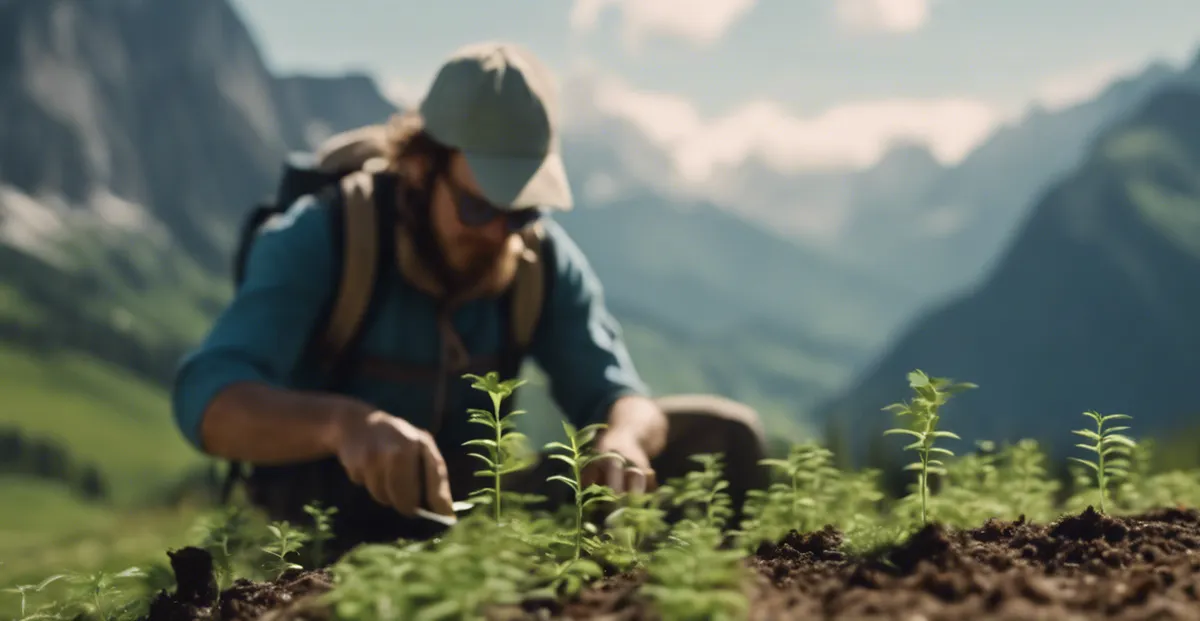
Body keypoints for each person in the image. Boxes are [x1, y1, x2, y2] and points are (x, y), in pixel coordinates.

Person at [171, 41, 768, 555]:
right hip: (318, 540)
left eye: (521, 209)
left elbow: (619, 394)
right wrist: (344, 425)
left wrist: (625, 439)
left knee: (725, 437)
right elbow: (207, 399)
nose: (498, 232)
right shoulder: (325, 235)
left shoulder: (535, 257)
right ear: (419, 168)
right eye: (477, 206)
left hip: (469, 525)